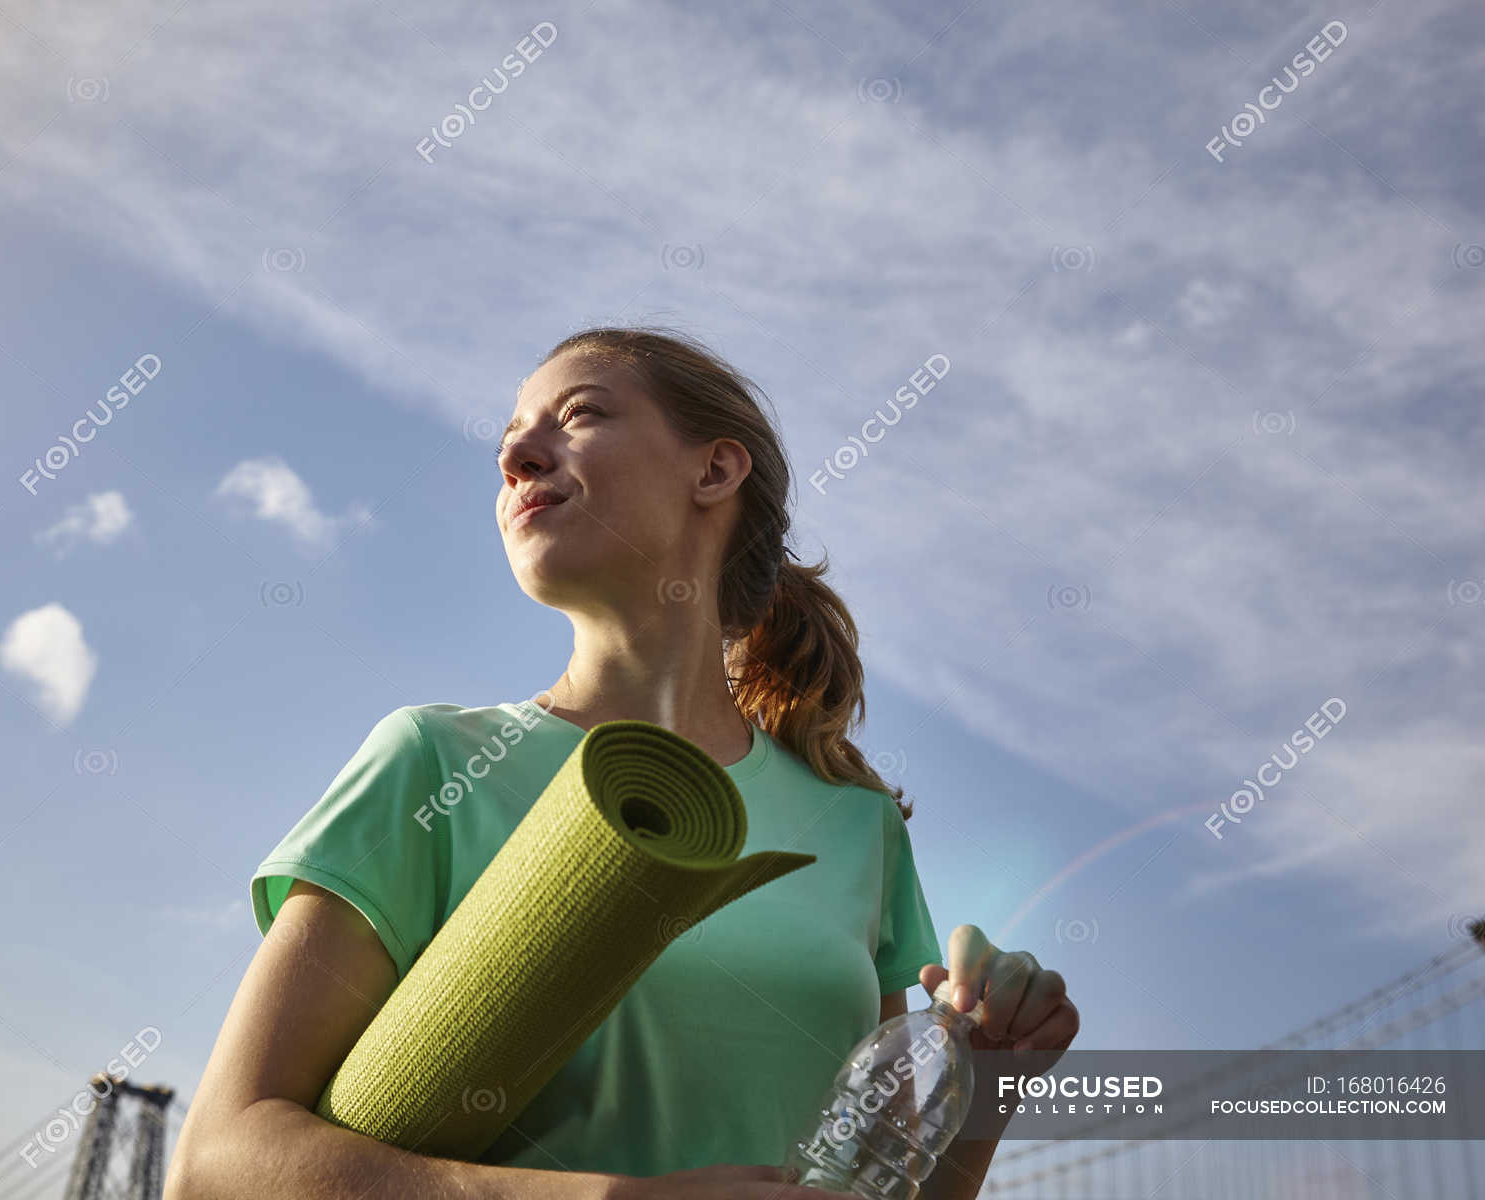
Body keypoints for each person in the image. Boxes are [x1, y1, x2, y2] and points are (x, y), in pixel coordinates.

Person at [164, 326, 1080, 1200]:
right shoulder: (433, 763)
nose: (517, 457)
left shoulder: (857, 825)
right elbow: (216, 1166)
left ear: (714, 469)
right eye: (509, 443)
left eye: (578, 415)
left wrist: (987, 1083)